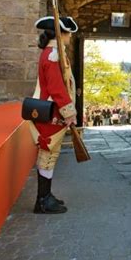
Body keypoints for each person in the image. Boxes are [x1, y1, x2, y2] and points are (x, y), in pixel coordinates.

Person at [29, 15, 78, 214]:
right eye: (68, 33)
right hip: (52, 112)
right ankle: (42, 200)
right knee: (48, 155)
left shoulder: (54, 53)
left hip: (53, 110)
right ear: (61, 34)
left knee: (50, 154)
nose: (70, 37)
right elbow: (56, 88)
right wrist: (69, 112)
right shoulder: (52, 55)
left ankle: (45, 196)